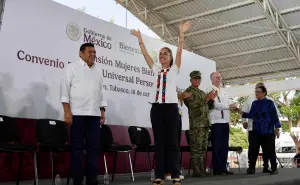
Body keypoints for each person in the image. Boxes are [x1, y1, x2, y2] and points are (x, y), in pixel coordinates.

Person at [130, 21, 192, 185]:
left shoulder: (174, 69)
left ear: (170, 58)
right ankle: (159, 176)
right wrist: (140, 39)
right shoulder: (156, 69)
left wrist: (181, 35)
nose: (162, 55)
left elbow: (179, 51)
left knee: (172, 143)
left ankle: (176, 175)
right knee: (159, 143)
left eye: (166, 53)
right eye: (161, 53)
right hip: (156, 109)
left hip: (171, 109)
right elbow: (145, 55)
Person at [60, 43, 107, 185]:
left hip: (94, 114)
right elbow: (64, 89)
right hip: (78, 113)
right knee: (77, 148)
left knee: (93, 148)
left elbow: (101, 91)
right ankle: (78, 180)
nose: (93, 54)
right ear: (81, 53)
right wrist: (67, 111)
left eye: (94, 52)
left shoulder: (98, 70)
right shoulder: (72, 67)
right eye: (89, 52)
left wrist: (102, 110)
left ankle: (92, 180)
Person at [239, 86, 280, 175]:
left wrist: (277, 128)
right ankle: (251, 168)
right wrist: (241, 112)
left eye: (258, 92)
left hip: (268, 130)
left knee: (270, 149)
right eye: (255, 92)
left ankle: (274, 168)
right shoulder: (254, 103)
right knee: (253, 149)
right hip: (256, 130)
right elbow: (251, 115)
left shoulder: (270, 103)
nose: (256, 93)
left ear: (264, 93)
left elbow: (274, 116)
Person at [183, 71, 216, 177]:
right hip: (196, 124)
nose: (197, 80)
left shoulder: (202, 92)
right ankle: (196, 170)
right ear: (191, 80)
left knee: (203, 148)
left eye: (198, 79)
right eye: (195, 79)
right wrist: (206, 99)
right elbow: (192, 106)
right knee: (196, 148)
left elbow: (208, 107)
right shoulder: (188, 92)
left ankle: (202, 169)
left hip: (205, 123)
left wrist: (211, 99)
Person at [207, 72, 237, 175]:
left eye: (220, 77)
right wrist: (229, 106)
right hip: (216, 121)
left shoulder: (223, 91)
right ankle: (217, 169)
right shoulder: (210, 89)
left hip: (225, 121)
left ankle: (223, 167)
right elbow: (215, 104)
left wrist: (233, 105)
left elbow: (229, 103)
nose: (219, 78)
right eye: (216, 77)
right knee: (217, 146)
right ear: (211, 79)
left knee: (224, 146)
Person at [164, 87, 184, 181]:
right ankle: (167, 171)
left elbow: (181, 104)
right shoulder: (166, 85)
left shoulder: (176, 87)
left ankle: (175, 171)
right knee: (169, 144)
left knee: (176, 145)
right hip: (168, 115)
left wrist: (181, 97)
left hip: (177, 116)